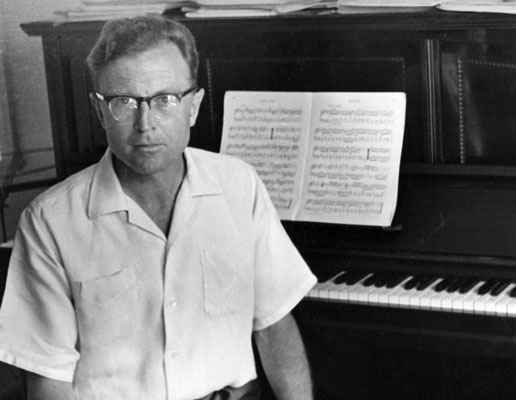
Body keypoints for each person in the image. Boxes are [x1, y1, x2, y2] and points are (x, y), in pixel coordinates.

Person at [0, 15, 317, 400]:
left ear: (194, 106)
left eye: (165, 99)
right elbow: (49, 381)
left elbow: (274, 326)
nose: (145, 124)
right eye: (124, 102)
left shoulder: (239, 185)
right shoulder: (49, 222)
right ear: (100, 111)